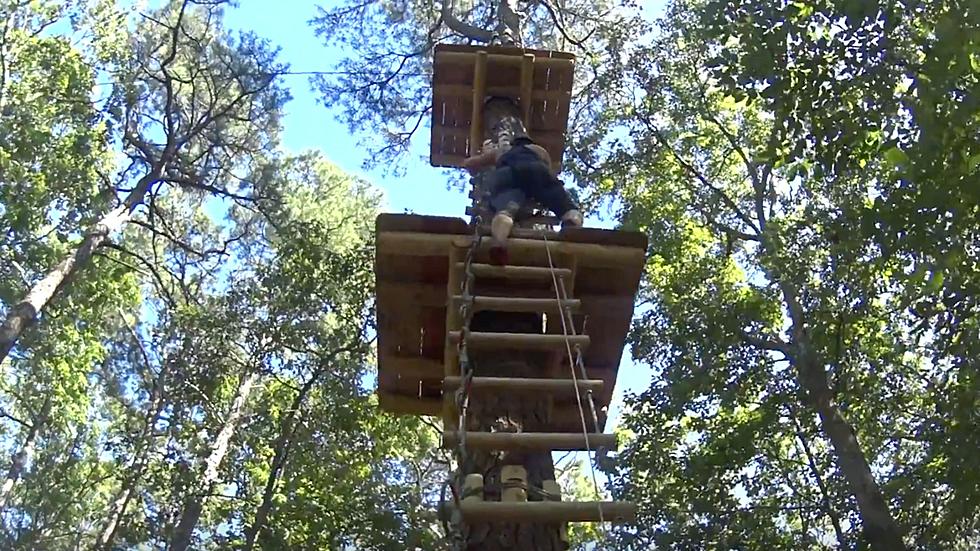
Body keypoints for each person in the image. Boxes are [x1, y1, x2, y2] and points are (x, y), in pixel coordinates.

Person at [462, 134, 583, 265]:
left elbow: (468, 164)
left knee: (505, 212)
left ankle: (499, 243)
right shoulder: (539, 150)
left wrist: (484, 155)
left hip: (506, 174)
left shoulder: (502, 151)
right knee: (565, 206)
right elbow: (547, 170)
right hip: (536, 169)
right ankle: (571, 224)